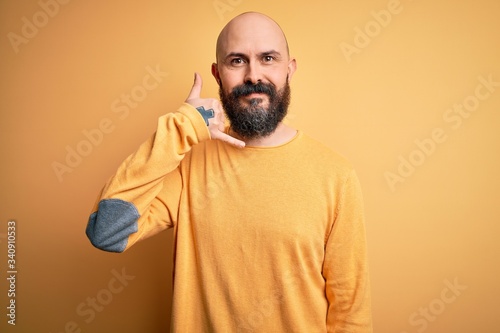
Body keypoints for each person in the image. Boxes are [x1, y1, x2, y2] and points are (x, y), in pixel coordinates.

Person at [86, 11, 373, 332]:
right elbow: (106, 233)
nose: (253, 75)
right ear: (218, 73)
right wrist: (181, 127)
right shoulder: (188, 163)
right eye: (237, 61)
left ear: (289, 69)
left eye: (268, 58)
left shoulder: (336, 175)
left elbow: (350, 308)